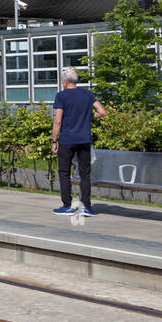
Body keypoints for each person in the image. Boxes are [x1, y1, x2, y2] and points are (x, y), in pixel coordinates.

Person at [51, 67, 108, 216]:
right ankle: (87, 207)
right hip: (84, 139)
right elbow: (102, 112)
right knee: (85, 173)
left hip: (67, 139)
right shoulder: (87, 94)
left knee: (64, 171)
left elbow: (58, 121)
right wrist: (88, 117)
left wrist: (54, 141)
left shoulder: (61, 96)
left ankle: (67, 205)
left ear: (64, 82)